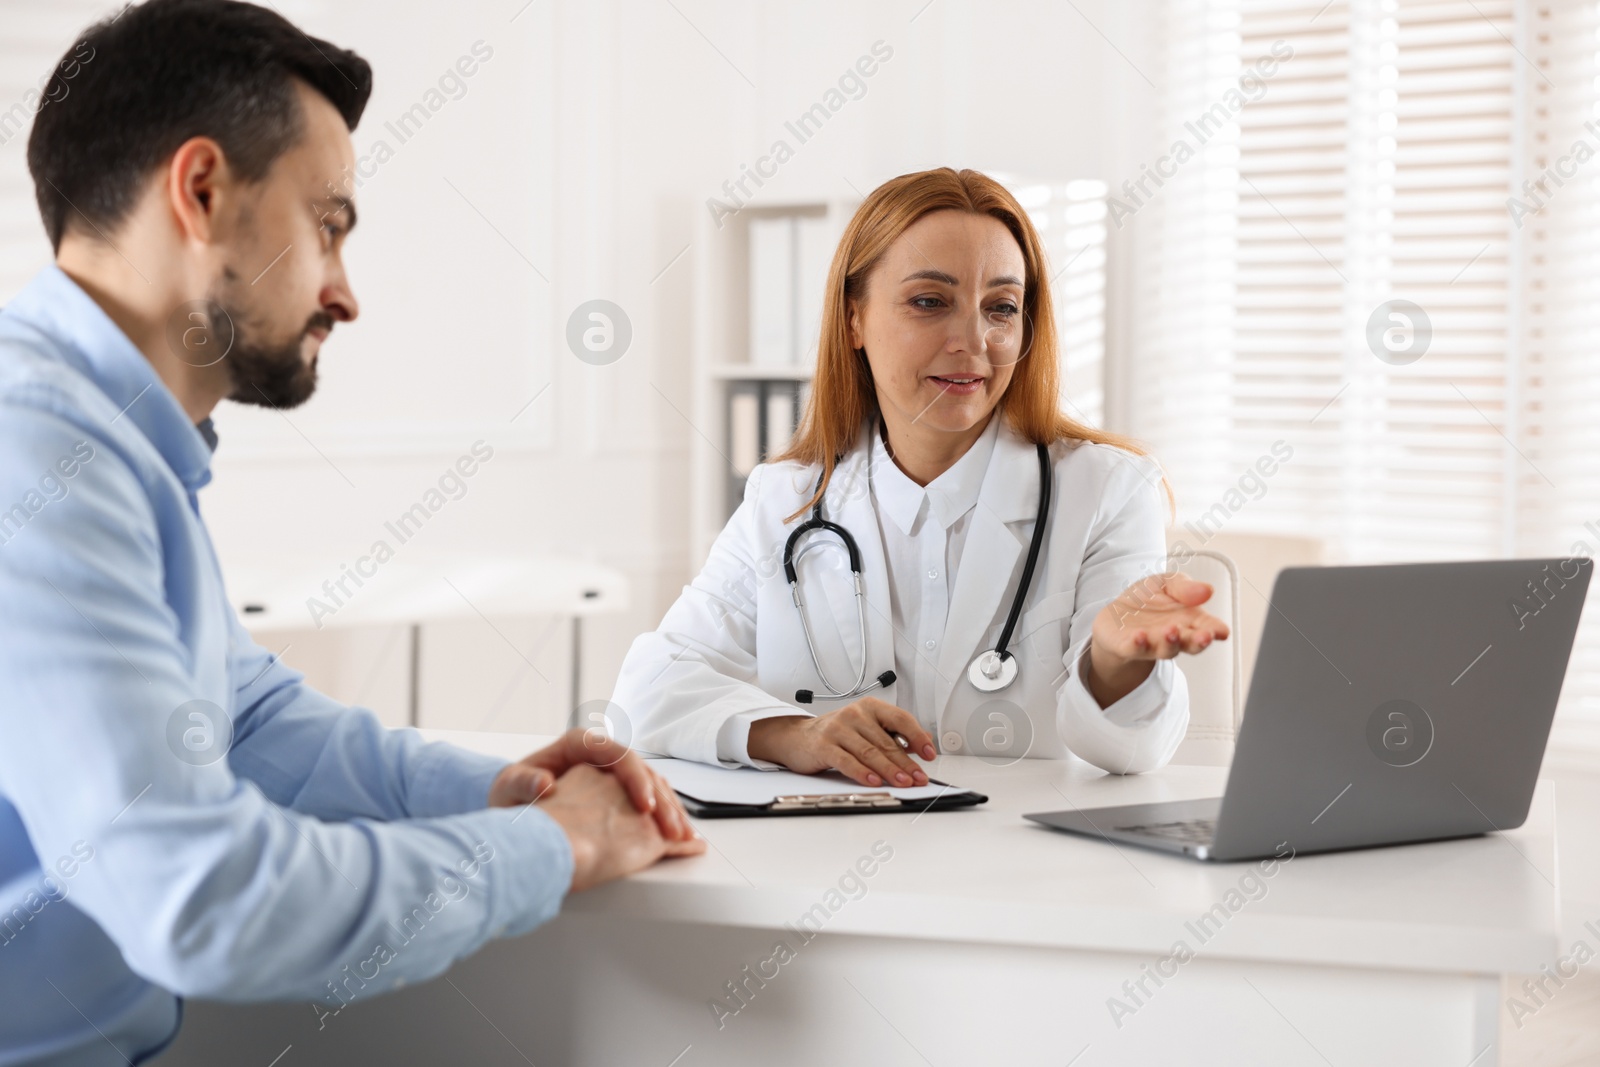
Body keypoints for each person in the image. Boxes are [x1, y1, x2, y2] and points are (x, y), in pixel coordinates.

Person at [0, 2, 702, 1063]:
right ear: (200, 191)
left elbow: (236, 713)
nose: (345, 292)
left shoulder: (105, 436)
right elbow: (207, 901)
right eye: (327, 223)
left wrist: (493, 785)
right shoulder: (38, 450)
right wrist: (551, 843)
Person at [614, 168, 1229, 788]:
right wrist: (796, 735)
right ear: (854, 320)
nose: (974, 341)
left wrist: (1115, 663)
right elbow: (649, 688)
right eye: (930, 302)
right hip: (826, 858)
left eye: (1002, 308)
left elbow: (1129, 752)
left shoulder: (1107, 489)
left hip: (1027, 867)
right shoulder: (789, 498)